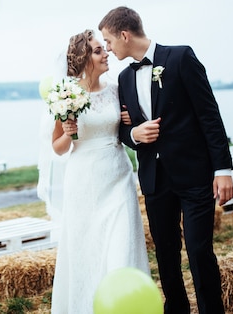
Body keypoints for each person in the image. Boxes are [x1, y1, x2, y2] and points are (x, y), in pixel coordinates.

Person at [98, 6, 233, 314]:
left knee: (200, 252)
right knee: (166, 255)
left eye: (108, 40)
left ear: (124, 34)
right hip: (155, 179)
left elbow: (209, 115)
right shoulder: (123, 78)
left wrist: (223, 169)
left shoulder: (181, 57)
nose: (108, 48)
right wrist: (135, 134)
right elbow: (121, 128)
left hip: (194, 175)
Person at [45, 29, 150, 314]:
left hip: (118, 178)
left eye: (104, 48)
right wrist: (68, 133)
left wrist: (128, 123)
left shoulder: (117, 90)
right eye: (97, 50)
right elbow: (57, 147)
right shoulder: (66, 96)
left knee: (122, 250)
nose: (105, 54)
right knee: (87, 252)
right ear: (83, 58)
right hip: (84, 184)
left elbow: (127, 130)